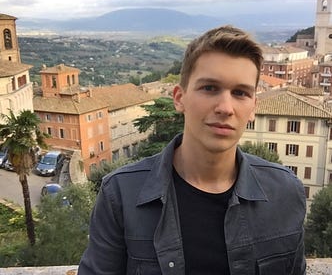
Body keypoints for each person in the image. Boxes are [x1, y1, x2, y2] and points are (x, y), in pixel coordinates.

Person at [78, 25, 306, 275]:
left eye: (240, 93)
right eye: (209, 88)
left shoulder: (286, 192)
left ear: (253, 107)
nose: (225, 107)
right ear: (179, 98)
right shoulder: (121, 195)